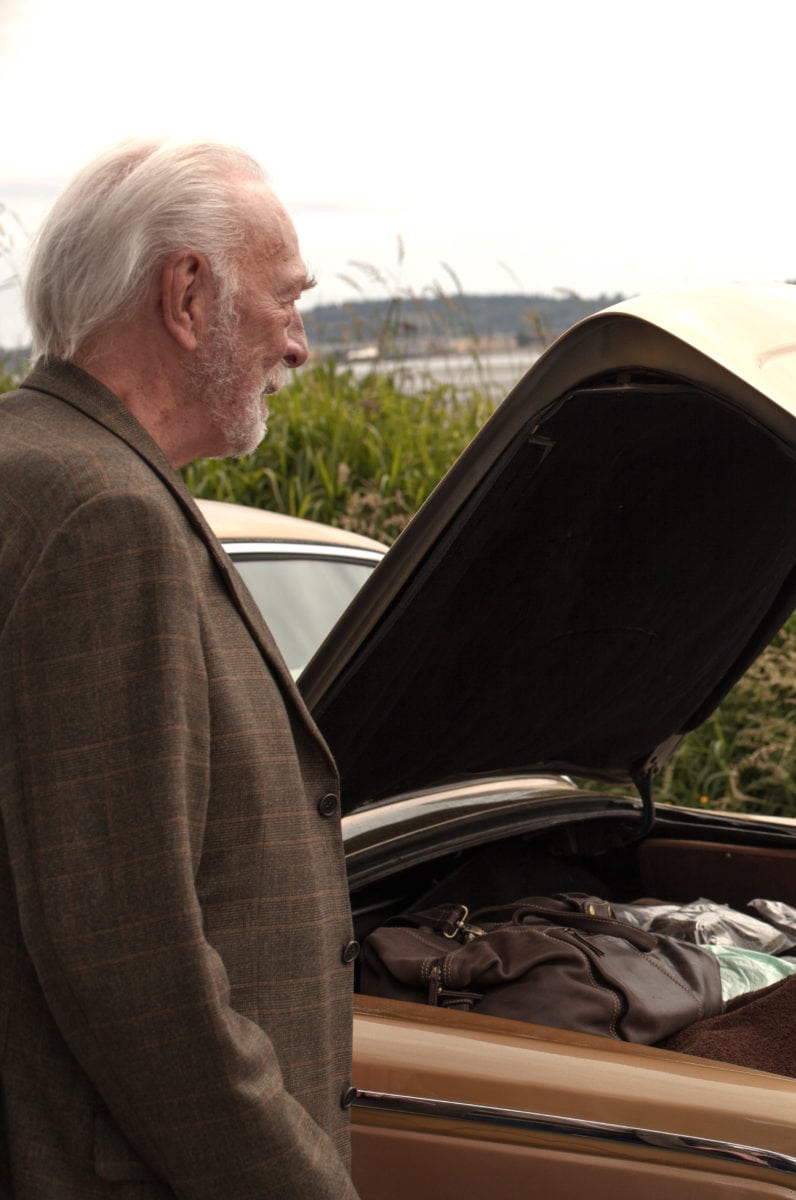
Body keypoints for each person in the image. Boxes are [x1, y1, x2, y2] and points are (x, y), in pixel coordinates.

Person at [0, 139, 359, 1196]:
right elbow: (132, 958)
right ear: (189, 295)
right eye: (286, 300)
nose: (298, 347)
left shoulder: (34, 467)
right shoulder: (103, 515)